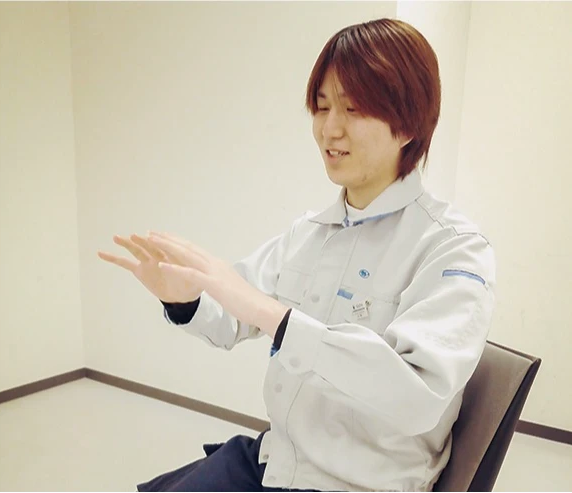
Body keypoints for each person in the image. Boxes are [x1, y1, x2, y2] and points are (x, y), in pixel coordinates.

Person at [98, 18, 496, 493]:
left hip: (360, 484)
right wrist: (183, 299)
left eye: (353, 108)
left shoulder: (453, 247)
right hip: (276, 460)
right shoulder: (309, 234)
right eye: (322, 106)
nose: (330, 128)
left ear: (408, 123)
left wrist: (273, 316)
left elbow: (416, 398)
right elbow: (231, 319)